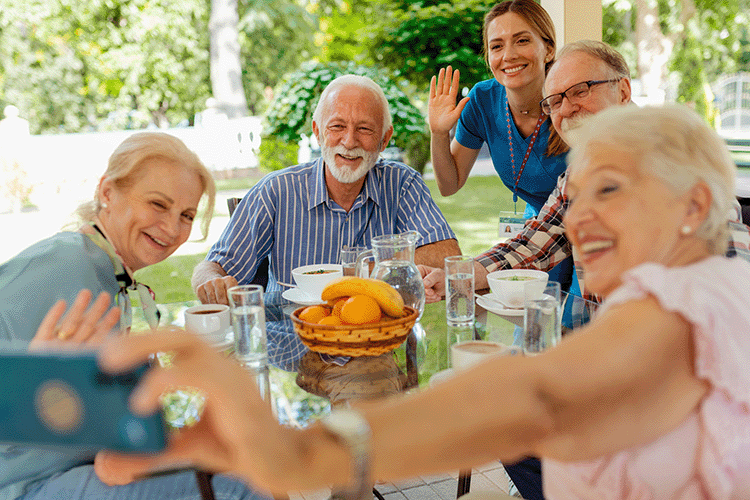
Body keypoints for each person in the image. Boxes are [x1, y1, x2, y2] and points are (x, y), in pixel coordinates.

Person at [98, 104, 750, 499]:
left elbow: (538, 399)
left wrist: (301, 453)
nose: (576, 220)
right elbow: (537, 411)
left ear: (695, 205)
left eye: (608, 189)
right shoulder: (721, 286)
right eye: (574, 196)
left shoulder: (684, 298)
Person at [0, 132, 258, 500]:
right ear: (107, 192)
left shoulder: (103, 269)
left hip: (78, 465)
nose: (172, 229)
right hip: (29, 485)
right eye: (157, 204)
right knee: (241, 488)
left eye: (185, 215)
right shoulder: (62, 266)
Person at [421, 40, 750, 312]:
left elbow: (730, 245)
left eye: (580, 90)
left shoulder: (675, 157)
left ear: (623, 91)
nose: (566, 109)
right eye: (554, 101)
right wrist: (455, 275)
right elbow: (532, 245)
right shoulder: (577, 176)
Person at [193, 74, 460, 305]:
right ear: (318, 132)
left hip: (377, 341)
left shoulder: (402, 184)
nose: (349, 141)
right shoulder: (276, 190)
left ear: (384, 139)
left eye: (364, 129)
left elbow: (448, 257)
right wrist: (212, 283)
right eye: (337, 126)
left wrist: (365, 268)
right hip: (293, 344)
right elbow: (212, 268)